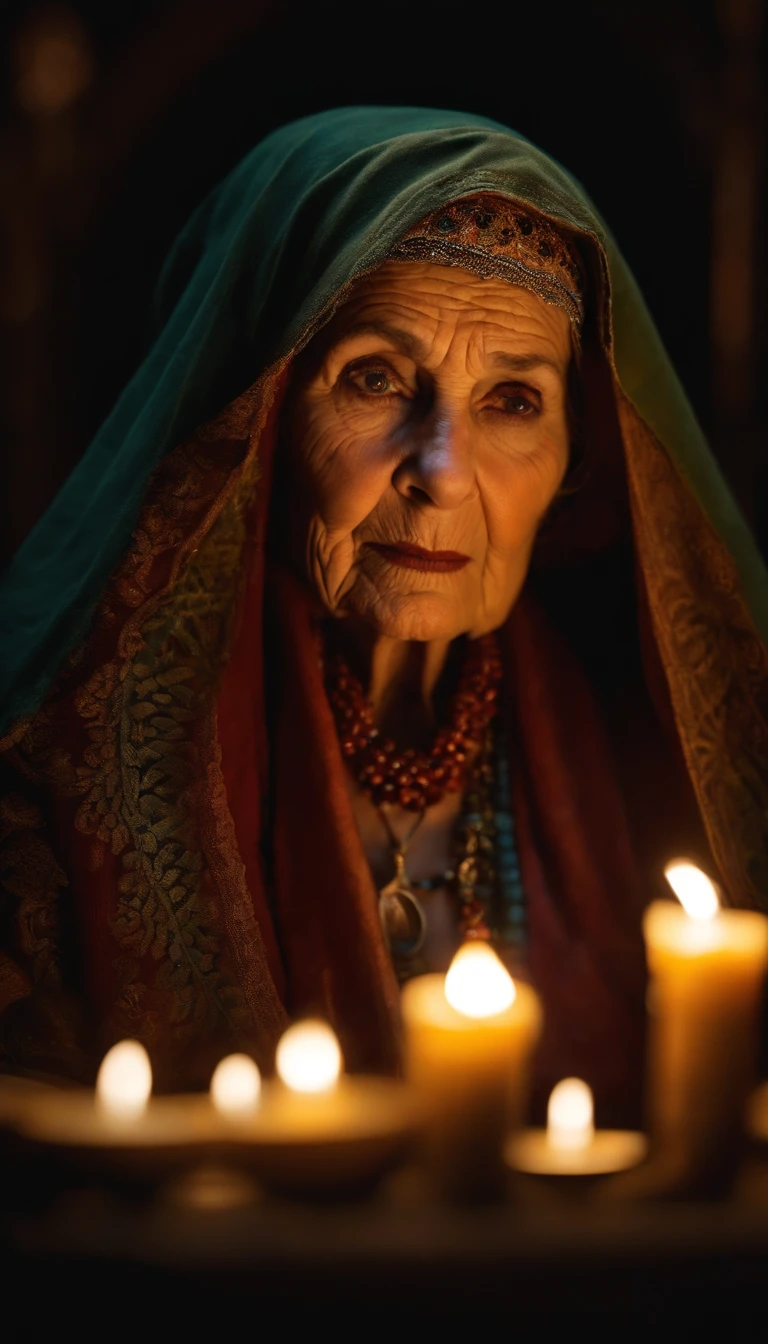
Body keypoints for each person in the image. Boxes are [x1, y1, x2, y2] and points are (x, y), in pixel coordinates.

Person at [1, 107, 766, 1124]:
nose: (442, 474)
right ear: (251, 417)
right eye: (375, 379)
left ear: (580, 461)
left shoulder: (660, 769)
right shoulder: (45, 800)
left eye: (513, 401)